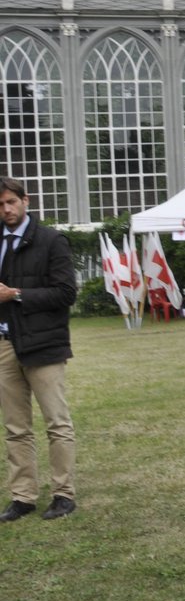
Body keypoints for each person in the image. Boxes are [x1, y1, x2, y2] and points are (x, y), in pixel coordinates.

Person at [0, 177, 79, 523]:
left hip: (44, 344)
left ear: (25, 200)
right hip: (5, 345)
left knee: (57, 424)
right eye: (0, 205)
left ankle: (63, 494)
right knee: (16, 428)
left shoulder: (51, 241)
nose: (6, 210)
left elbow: (65, 294)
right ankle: (23, 497)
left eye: (10, 203)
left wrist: (16, 294)